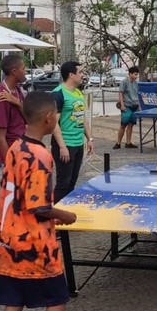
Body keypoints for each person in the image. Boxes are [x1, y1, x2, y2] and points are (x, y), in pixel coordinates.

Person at [0, 91, 77, 311]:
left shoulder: (16, 146)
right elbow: (39, 207)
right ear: (49, 118)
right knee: (57, 299)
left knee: (13, 302)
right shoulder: (41, 156)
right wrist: (65, 215)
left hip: (7, 241)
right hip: (35, 246)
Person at [51, 61, 94, 204]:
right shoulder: (58, 93)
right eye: (80, 72)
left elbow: (82, 117)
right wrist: (62, 147)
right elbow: (53, 123)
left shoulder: (78, 93)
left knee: (72, 183)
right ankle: (55, 218)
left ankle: (66, 213)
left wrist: (90, 139)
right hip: (65, 145)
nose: (83, 75)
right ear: (71, 75)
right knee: (63, 183)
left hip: (78, 144)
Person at [0, 55, 27, 169]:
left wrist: (17, 102)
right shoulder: (2, 97)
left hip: (20, 149)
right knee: (12, 187)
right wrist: (10, 164)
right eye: (23, 69)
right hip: (10, 156)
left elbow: (28, 117)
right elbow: (0, 137)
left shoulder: (16, 90)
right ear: (14, 71)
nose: (25, 72)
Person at [113, 66, 140, 149]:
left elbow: (137, 95)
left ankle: (128, 142)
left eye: (137, 74)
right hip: (127, 106)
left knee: (131, 124)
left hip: (134, 106)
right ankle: (118, 142)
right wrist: (122, 105)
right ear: (130, 74)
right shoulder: (124, 82)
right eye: (135, 74)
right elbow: (121, 93)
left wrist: (139, 106)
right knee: (123, 125)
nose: (136, 76)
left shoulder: (136, 84)